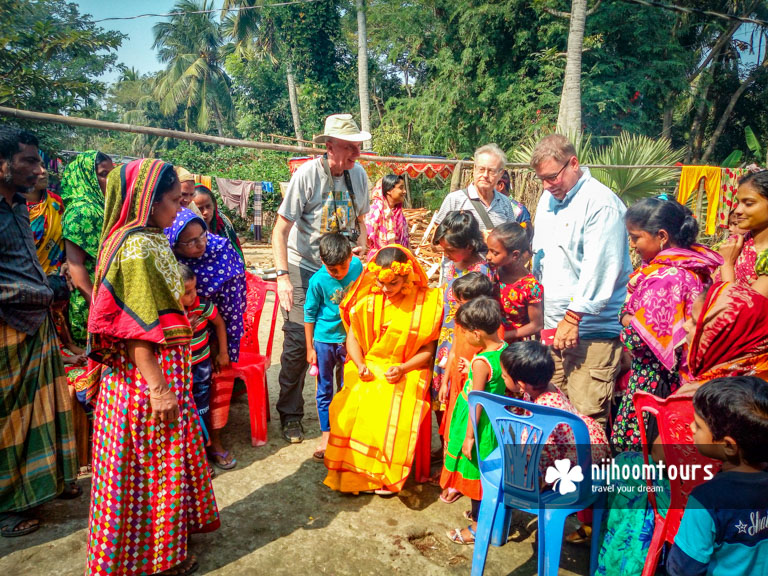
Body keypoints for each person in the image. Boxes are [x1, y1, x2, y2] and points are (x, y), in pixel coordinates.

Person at [85, 158, 219, 575]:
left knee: (144, 473)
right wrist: (160, 390)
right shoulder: (140, 246)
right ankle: (156, 562)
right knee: (153, 475)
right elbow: (137, 329)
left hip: (147, 377)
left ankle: (146, 553)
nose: (179, 210)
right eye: (174, 201)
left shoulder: (144, 238)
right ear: (147, 200)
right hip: (146, 382)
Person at [272, 113, 371, 444]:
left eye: (357, 147)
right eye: (349, 148)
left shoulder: (358, 175)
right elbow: (280, 228)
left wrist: (363, 247)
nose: (356, 154)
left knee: (347, 339)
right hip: (306, 267)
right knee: (300, 340)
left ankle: (341, 413)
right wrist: (283, 276)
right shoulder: (307, 175)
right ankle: (291, 414)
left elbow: (361, 221)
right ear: (329, 146)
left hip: (346, 269)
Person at [0, 127, 78, 538]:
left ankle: (47, 482)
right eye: (28, 160)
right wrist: (43, 289)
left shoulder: (18, 208)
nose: (39, 168)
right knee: (10, 422)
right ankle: (7, 505)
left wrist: (49, 280)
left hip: (34, 326)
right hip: (8, 331)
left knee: (45, 409)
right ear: (2, 165)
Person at [530, 133, 632, 425]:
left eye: (552, 177)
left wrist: (573, 318)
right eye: (542, 180)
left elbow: (600, 269)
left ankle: (589, 472)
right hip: (554, 330)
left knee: (586, 419)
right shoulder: (548, 200)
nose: (548, 186)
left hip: (590, 333)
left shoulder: (601, 204)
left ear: (573, 163)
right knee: (553, 415)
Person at [323, 245, 442, 494]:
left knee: (390, 401)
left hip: (410, 369)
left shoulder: (426, 303)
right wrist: (361, 364)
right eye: (381, 282)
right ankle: (358, 472)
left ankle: (384, 474)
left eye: (393, 283)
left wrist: (402, 368)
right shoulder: (368, 300)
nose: (386, 289)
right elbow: (352, 339)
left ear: (406, 277)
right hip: (369, 365)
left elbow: (428, 353)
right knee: (352, 402)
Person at [613, 198, 721, 451]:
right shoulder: (693, 266)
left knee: (640, 451)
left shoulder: (667, 278)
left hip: (654, 380)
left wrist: (626, 317)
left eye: (636, 237)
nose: (632, 245)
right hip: (679, 377)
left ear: (661, 236)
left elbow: (638, 339)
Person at [500, 340, 610, 545]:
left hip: (578, 462)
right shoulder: (546, 387)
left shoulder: (543, 412)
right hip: (586, 441)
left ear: (521, 383)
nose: (502, 377)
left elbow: (538, 452)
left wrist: (536, 480)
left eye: (505, 375)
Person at [166, 208, 246, 470]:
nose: (200, 244)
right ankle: (189, 453)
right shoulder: (165, 263)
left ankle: (215, 443)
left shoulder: (219, 251)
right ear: (174, 244)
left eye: (202, 235)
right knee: (183, 402)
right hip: (178, 353)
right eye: (190, 242)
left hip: (211, 342)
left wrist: (221, 349)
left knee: (210, 395)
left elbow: (229, 313)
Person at [667, 376, 768, 576]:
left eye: (699, 425)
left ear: (728, 446)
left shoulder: (706, 499)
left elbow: (683, 568)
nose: (691, 428)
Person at [442, 296, 508, 545]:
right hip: (493, 422)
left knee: (474, 474)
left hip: (476, 424)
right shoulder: (502, 348)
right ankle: (485, 516)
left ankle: (477, 528)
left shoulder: (481, 362)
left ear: (477, 333)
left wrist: (469, 437)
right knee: (484, 473)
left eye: (464, 332)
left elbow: (476, 401)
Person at [304, 233, 364, 463]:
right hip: (324, 340)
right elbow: (309, 315)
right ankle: (327, 434)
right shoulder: (317, 281)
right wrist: (310, 348)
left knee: (349, 384)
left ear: (351, 256)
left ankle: (347, 431)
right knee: (325, 389)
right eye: (332, 269)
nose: (338, 273)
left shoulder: (358, 266)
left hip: (352, 338)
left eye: (342, 267)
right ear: (322, 261)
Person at [437, 272, 495, 505]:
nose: (457, 306)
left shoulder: (487, 331)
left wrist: (468, 369)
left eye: (462, 301)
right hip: (456, 386)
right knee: (453, 430)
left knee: (465, 434)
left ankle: (460, 482)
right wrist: (444, 381)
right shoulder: (463, 322)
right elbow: (452, 351)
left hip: (471, 388)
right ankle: (451, 478)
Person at [431, 211, 491, 434]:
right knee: (441, 391)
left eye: (450, 250)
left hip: (466, 344)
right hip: (446, 339)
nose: (446, 254)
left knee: (461, 393)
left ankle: (458, 446)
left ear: (470, 246)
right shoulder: (452, 264)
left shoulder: (481, 273)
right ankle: (446, 443)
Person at [60, 150, 114, 346]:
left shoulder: (103, 207)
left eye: (112, 174)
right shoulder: (81, 211)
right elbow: (76, 264)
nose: (110, 180)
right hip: (91, 299)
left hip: (106, 296)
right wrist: (97, 305)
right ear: (86, 177)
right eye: (103, 174)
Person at [178, 264, 230, 456]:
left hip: (201, 365)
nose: (193, 296)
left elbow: (219, 323)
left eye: (194, 290)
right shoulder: (169, 316)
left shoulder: (201, 305)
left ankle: (205, 449)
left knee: (202, 406)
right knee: (183, 410)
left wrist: (222, 352)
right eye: (187, 292)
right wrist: (182, 328)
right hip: (179, 370)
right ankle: (189, 455)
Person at [434, 144, 531, 234]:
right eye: (481, 169)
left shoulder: (505, 203)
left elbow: (510, 237)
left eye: (491, 171)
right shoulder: (455, 199)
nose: (485, 175)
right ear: (474, 169)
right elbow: (435, 239)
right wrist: (477, 238)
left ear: (500, 174)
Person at [485, 222, 543, 342]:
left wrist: (503, 336)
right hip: (490, 342)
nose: (488, 256)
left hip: (514, 350)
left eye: (494, 253)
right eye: (488, 250)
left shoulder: (530, 287)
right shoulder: (492, 273)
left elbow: (536, 325)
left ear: (515, 255)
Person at [718, 170, 768, 285]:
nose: (737, 211)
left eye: (749, 203)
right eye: (738, 203)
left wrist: (726, 264)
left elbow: (745, 302)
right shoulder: (733, 246)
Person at [192, 184, 244, 262]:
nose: (205, 212)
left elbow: (236, 251)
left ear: (214, 204)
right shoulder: (188, 230)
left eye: (208, 206)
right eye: (200, 209)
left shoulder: (224, 224)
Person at [365, 174, 409, 253]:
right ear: (389, 190)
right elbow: (367, 240)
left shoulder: (399, 214)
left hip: (398, 259)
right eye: (401, 188)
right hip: (378, 260)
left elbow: (406, 241)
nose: (404, 191)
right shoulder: (374, 213)